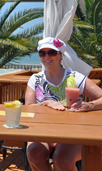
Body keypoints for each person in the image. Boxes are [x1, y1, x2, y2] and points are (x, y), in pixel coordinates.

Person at [25, 37, 102, 171]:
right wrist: (46, 103)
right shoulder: (35, 79)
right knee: (34, 153)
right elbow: (28, 107)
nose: (46, 56)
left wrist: (89, 105)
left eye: (52, 52)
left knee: (63, 159)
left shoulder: (75, 77)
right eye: (42, 53)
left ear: (60, 55)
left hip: (71, 132)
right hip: (42, 131)